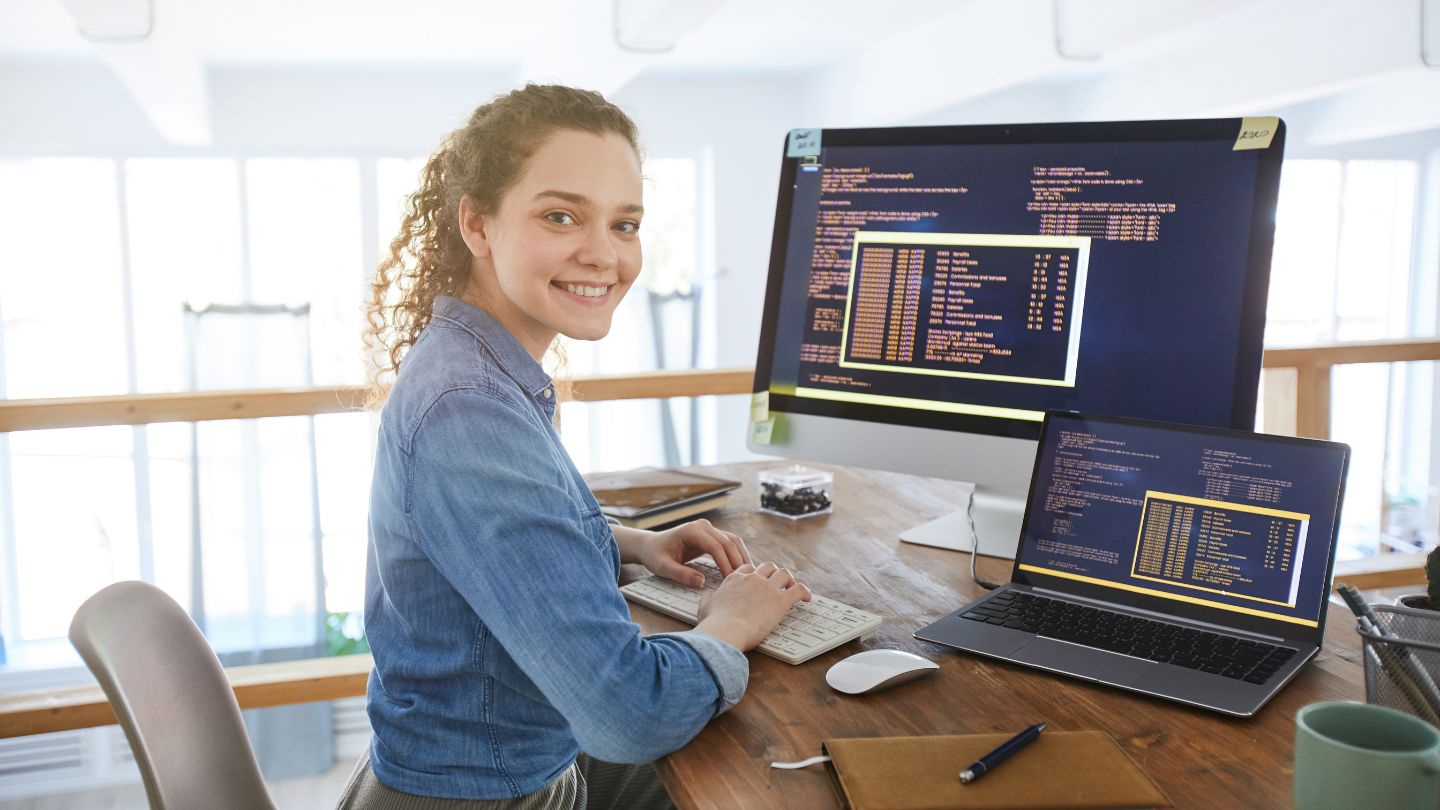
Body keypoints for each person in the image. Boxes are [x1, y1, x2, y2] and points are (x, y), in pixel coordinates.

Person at [339, 84, 811, 809]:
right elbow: (628, 713)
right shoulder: (470, 409)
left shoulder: (474, 366)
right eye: (561, 216)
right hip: (488, 791)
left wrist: (625, 541)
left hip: (495, 761)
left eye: (625, 224)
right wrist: (730, 624)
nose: (604, 255)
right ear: (477, 224)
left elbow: (481, 543)